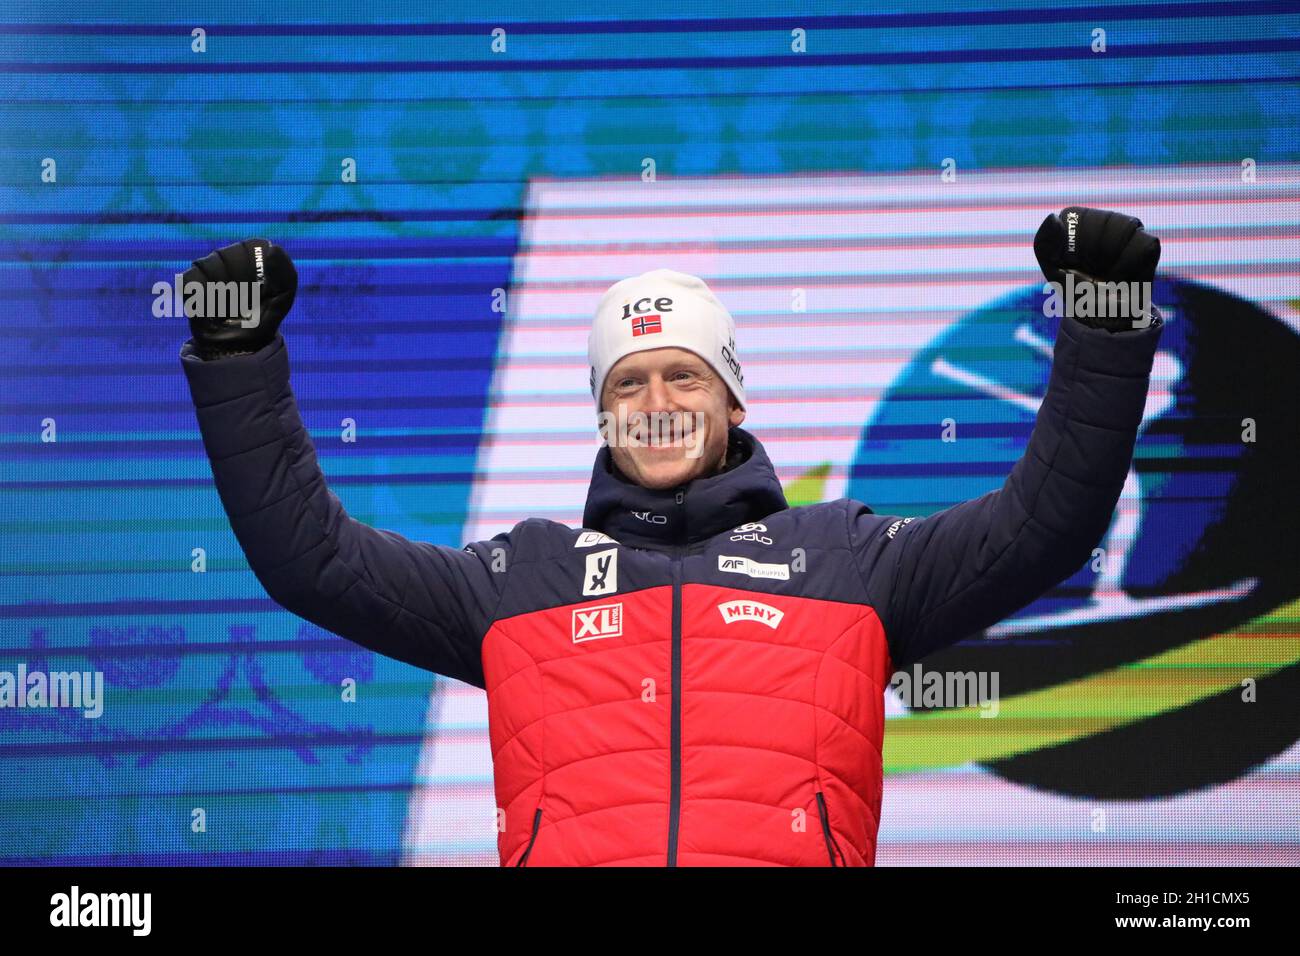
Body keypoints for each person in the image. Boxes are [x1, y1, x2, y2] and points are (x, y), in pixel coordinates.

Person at [178, 207, 1164, 866]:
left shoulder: (850, 558)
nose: (655, 401)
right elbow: (314, 558)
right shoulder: (523, 576)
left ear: (731, 398)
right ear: (602, 415)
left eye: (683, 375)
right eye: (627, 383)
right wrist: (239, 362)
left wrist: (1104, 329)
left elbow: (1046, 521)